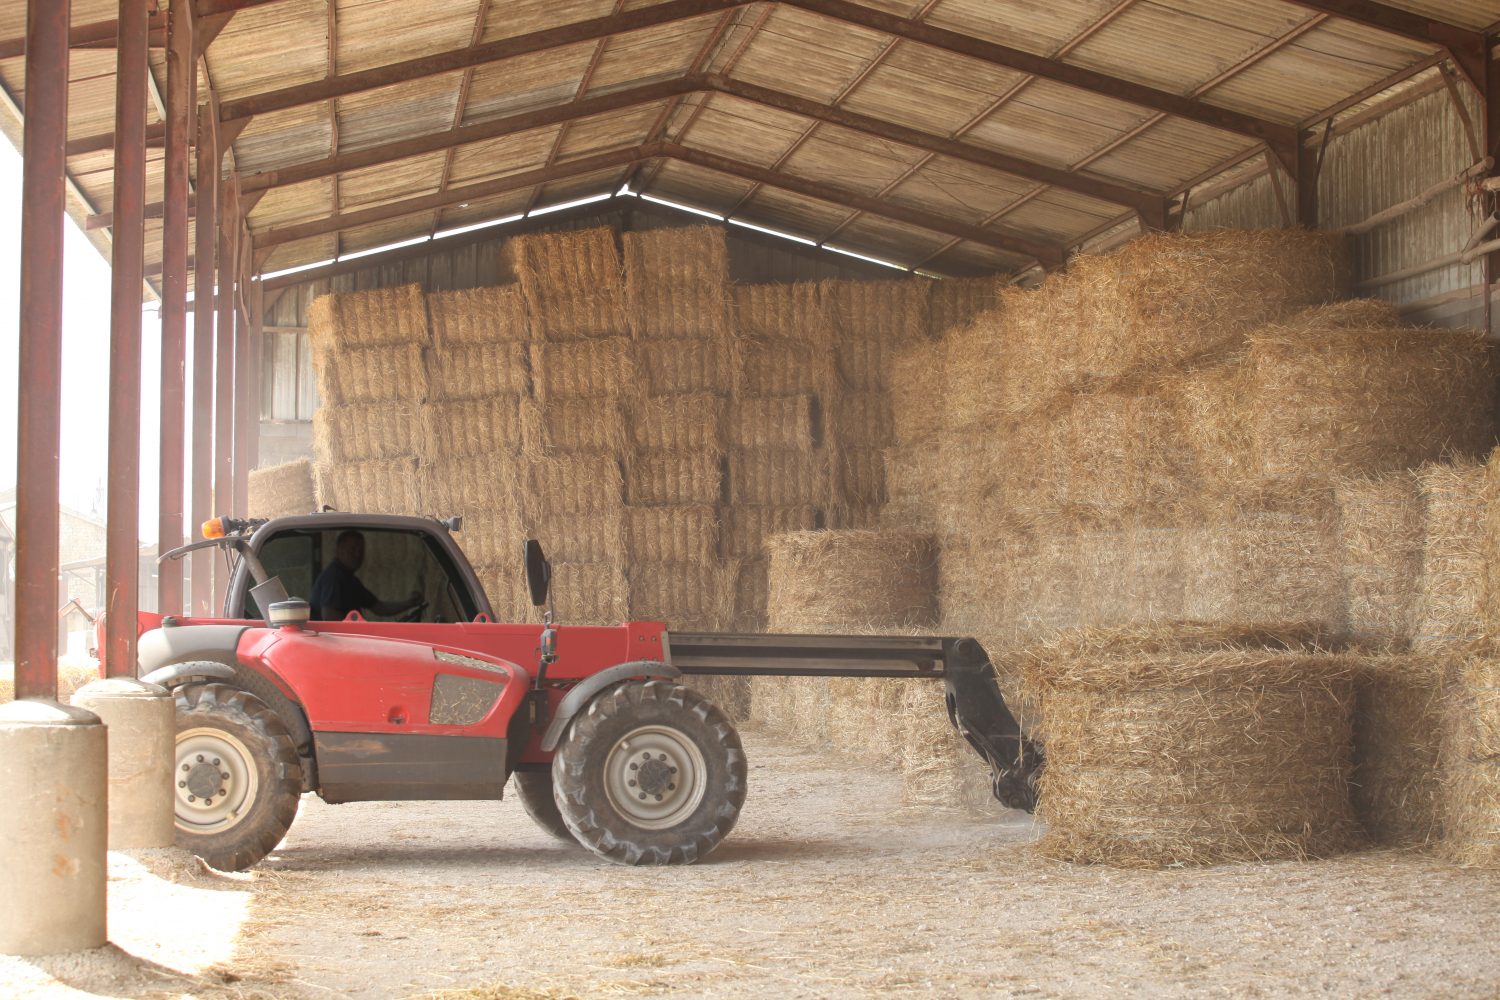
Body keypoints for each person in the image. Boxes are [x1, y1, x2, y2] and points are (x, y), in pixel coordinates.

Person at [310, 530, 423, 621]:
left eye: (361, 550)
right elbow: (329, 616)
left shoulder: (350, 580)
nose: (357, 554)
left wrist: (409, 603)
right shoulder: (334, 577)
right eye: (353, 549)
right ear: (339, 550)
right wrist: (361, 629)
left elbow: (379, 608)